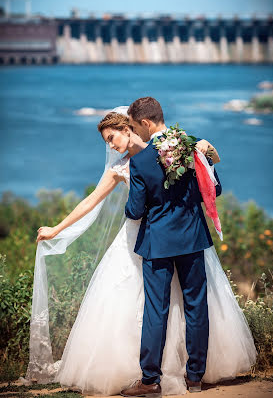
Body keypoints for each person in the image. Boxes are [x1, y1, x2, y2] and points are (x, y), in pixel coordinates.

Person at [25, 104, 257, 396]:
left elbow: (135, 210)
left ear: (130, 128)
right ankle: (194, 377)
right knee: (193, 306)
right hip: (187, 237)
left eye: (112, 138)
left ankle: (151, 379)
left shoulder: (141, 162)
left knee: (156, 309)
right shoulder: (180, 144)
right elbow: (90, 202)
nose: (111, 145)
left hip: (155, 241)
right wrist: (56, 229)